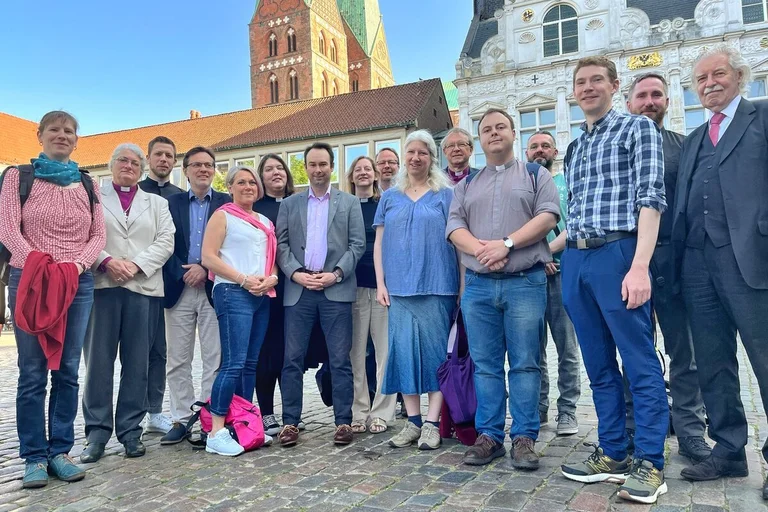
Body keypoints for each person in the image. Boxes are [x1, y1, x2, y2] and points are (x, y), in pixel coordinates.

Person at [558, 56, 669, 504]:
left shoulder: (636, 129)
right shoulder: (575, 146)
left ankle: (650, 462)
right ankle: (613, 452)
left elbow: (651, 197)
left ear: (613, 86)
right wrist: (516, 249)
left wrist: (639, 265)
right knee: (598, 363)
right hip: (577, 259)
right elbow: (576, 215)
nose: (587, 88)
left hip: (619, 254)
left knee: (639, 360)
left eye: (596, 81)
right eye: (580, 82)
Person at [670, 45, 768, 498]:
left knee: (765, 360)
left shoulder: (761, 117)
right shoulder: (692, 139)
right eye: (701, 78)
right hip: (697, 264)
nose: (709, 83)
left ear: (739, 76)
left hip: (750, 259)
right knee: (712, 362)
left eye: (718, 74)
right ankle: (728, 450)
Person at [0, 111, 106, 488]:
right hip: (30, 280)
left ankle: (60, 450)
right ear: (40, 135)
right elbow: (9, 228)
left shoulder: (87, 184)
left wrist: (76, 265)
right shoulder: (18, 177)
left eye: (69, 131)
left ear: (77, 139)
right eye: (55, 130)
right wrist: (38, 265)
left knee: (68, 369)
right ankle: (33, 456)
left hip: (76, 283)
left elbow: (98, 235)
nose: (62, 136)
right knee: (32, 372)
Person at [448, 110, 559, 468]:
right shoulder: (466, 184)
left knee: (526, 363)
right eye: (486, 130)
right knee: (486, 366)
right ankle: (490, 435)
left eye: (500, 127)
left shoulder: (535, 173)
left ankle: (525, 437)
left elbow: (548, 216)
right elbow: (454, 227)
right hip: (479, 287)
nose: (494, 133)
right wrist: (484, 249)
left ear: (513, 133)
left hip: (525, 283)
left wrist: (506, 244)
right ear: (479, 140)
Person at [625, 72, 710, 463]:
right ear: (628, 102)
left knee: (683, 351)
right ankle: (632, 426)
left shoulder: (686, 146)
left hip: (675, 260)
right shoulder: (617, 144)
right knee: (633, 349)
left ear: (668, 101)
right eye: (641, 95)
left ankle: (691, 429)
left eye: (656, 94)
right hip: (626, 259)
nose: (649, 101)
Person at [80, 144, 175, 463]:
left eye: (135, 162)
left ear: (143, 168)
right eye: (123, 160)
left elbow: (166, 240)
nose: (129, 166)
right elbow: (82, 234)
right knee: (98, 362)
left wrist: (134, 265)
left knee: (138, 362)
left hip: (143, 287)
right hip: (102, 286)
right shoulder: (92, 196)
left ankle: (131, 431)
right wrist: (106, 261)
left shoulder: (157, 203)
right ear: (111, 163)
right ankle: (96, 432)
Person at [276, 142, 365, 447]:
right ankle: (290, 422)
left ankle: (343, 421)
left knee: (340, 359)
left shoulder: (349, 203)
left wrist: (336, 273)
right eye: (312, 165)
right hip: (299, 290)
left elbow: (357, 245)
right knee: (292, 359)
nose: (318, 170)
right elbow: (282, 245)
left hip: (336, 288)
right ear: (306, 167)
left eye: (323, 164)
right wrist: (296, 273)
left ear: (331, 167)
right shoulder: (289, 205)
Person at [374, 129, 458, 451]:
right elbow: (379, 244)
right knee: (403, 355)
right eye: (411, 152)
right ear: (403, 157)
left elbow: (456, 240)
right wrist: (381, 284)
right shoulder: (390, 197)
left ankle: (433, 424)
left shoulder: (444, 194)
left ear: (431, 159)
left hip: (438, 285)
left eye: (423, 152)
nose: (416, 158)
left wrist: (461, 286)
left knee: (437, 356)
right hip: (398, 289)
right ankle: (412, 422)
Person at [201, 165, 277, 456]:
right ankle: (216, 431)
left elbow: (271, 259)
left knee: (250, 364)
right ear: (230, 187)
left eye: (252, 183)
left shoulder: (265, 222)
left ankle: (243, 423)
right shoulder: (223, 216)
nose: (248, 186)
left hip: (261, 294)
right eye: (241, 182)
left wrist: (271, 278)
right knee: (233, 362)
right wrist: (243, 279)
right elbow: (208, 257)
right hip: (233, 292)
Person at [161, 146, 231, 444]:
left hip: (215, 288)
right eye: (197, 165)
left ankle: (205, 416)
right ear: (185, 170)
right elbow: (163, 243)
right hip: (179, 288)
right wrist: (184, 271)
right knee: (178, 358)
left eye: (209, 165)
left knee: (214, 357)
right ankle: (180, 417)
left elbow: (231, 245)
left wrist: (205, 268)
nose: (204, 169)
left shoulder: (227, 204)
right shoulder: (169, 203)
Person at [524, 130, 581, 437]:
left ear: (555, 151)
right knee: (534, 349)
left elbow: (573, 224)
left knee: (567, 347)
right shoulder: (521, 185)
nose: (539, 150)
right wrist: (536, 257)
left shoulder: (566, 183)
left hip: (562, 273)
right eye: (533, 146)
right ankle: (540, 407)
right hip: (529, 275)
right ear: (526, 152)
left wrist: (547, 252)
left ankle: (569, 410)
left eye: (545, 145)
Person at [137, 135, 183, 436]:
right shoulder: (136, 192)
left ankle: (154, 410)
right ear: (148, 158)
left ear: (175, 162)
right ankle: (133, 411)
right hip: (138, 278)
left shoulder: (180, 195)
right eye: (158, 155)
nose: (163, 160)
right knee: (136, 350)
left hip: (172, 284)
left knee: (161, 351)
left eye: (169, 155)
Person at [346, 156, 395, 435]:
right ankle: (358, 410)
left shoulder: (385, 203)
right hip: (350, 287)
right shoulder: (344, 205)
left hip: (381, 287)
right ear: (351, 176)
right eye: (358, 169)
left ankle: (382, 412)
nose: (363, 173)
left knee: (384, 353)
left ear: (375, 175)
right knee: (355, 354)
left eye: (368, 168)